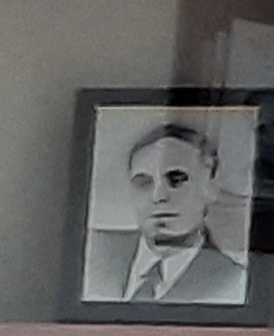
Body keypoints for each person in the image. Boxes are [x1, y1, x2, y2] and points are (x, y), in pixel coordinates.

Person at [82, 119, 250, 306]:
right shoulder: (94, 254)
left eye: (176, 179)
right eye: (143, 182)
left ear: (211, 187)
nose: (158, 196)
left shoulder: (233, 281)